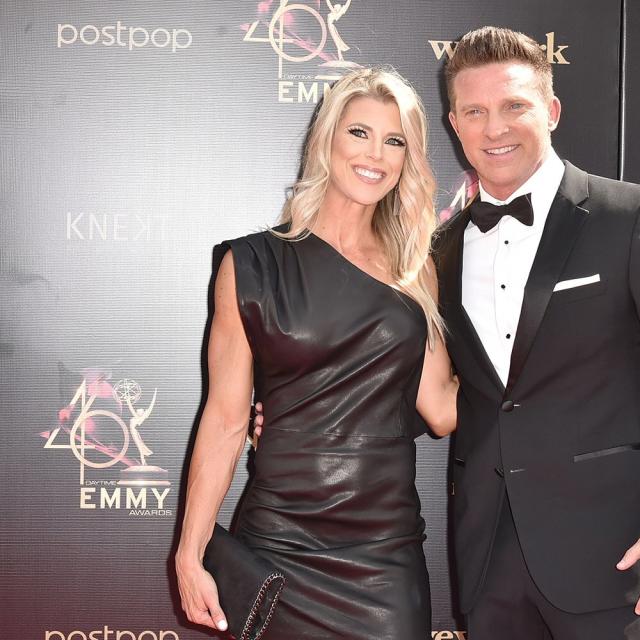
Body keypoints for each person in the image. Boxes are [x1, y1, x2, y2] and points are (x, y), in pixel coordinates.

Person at [433, 27, 640, 639]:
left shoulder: (633, 217)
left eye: (514, 106)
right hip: (487, 566)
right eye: (475, 111)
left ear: (550, 110)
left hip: (616, 559)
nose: (494, 129)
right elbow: (436, 391)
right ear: (454, 124)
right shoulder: (441, 249)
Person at [175, 67, 458, 640]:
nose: (375, 154)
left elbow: (442, 409)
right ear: (326, 139)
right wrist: (190, 550)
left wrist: (552, 358)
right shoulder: (252, 266)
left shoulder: (415, 269)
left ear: (408, 157)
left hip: (384, 557)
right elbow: (227, 419)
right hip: (278, 545)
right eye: (359, 132)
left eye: (395, 139)